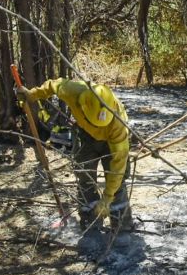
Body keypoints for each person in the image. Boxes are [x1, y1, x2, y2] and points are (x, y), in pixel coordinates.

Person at [17, 79, 132, 232]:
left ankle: (122, 228)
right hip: (84, 135)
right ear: (83, 108)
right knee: (85, 177)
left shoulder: (118, 125)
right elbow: (52, 86)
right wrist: (32, 94)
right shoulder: (73, 91)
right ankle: (90, 222)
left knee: (117, 183)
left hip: (110, 140)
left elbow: (118, 165)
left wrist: (107, 198)